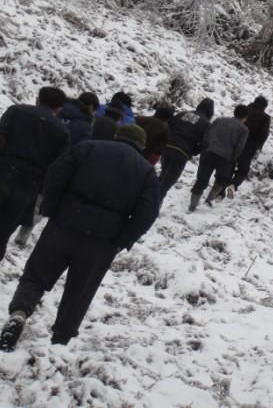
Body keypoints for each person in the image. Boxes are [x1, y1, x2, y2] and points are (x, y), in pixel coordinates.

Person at [0, 124, 159, 351]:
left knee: (36, 275)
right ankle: (60, 341)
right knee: (79, 292)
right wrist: (121, 239)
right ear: (142, 146)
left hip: (64, 224)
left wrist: (52, 209)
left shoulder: (87, 148)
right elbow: (148, 212)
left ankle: (20, 312)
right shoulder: (146, 171)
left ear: (117, 136)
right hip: (102, 241)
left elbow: (56, 175)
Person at [0, 87, 70, 261]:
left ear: (38, 99)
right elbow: (56, 167)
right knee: (4, 231)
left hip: (4, 170)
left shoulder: (16, 111)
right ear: (59, 108)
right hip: (29, 185)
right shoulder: (62, 132)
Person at [188, 105, 248, 212]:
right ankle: (209, 199)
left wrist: (204, 147)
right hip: (225, 157)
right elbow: (239, 147)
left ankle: (192, 205)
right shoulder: (243, 129)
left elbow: (208, 134)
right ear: (245, 117)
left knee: (201, 180)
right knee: (221, 180)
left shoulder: (219, 120)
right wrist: (233, 158)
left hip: (208, 152)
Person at [159, 98, 214, 201]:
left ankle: (147, 199)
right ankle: (152, 205)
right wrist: (194, 150)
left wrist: (168, 140)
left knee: (162, 176)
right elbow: (206, 143)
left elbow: (168, 125)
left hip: (168, 147)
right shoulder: (206, 124)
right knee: (167, 183)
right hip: (182, 152)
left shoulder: (182, 114)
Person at [229, 96, 271, 192]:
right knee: (243, 169)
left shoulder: (244, 110)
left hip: (234, 142)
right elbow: (264, 135)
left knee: (230, 165)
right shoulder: (265, 117)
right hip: (249, 147)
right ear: (264, 106)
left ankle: (221, 186)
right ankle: (233, 185)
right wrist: (259, 147)